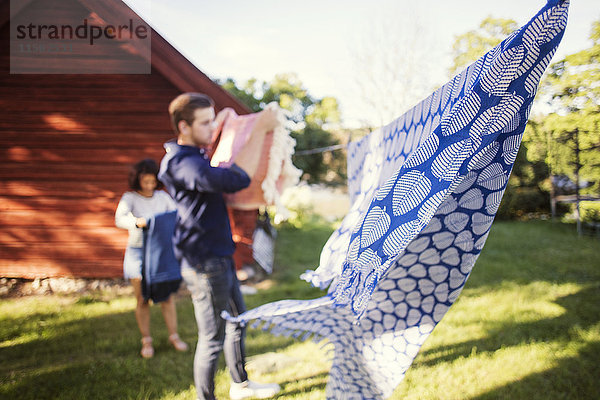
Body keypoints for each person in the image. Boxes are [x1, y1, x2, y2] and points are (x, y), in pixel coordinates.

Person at [158, 93, 281, 400]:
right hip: (204, 263)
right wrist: (260, 129)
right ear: (184, 126)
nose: (212, 128)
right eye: (205, 122)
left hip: (220, 255)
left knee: (237, 321)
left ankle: (240, 386)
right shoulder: (183, 164)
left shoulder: (196, 155)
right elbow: (234, 178)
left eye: (213, 121)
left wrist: (227, 123)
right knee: (212, 337)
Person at [115, 159, 189, 359]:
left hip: (160, 253)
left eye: (152, 182)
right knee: (142, 299)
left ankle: (174, 336)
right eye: (145, 182)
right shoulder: (130, 198)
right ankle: (146, 340)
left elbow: (176, 216)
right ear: (138, 180)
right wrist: (137, 222)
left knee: (166, 297)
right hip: (138, 253)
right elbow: (120, 218)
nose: (148, 186)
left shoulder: (162, 198)